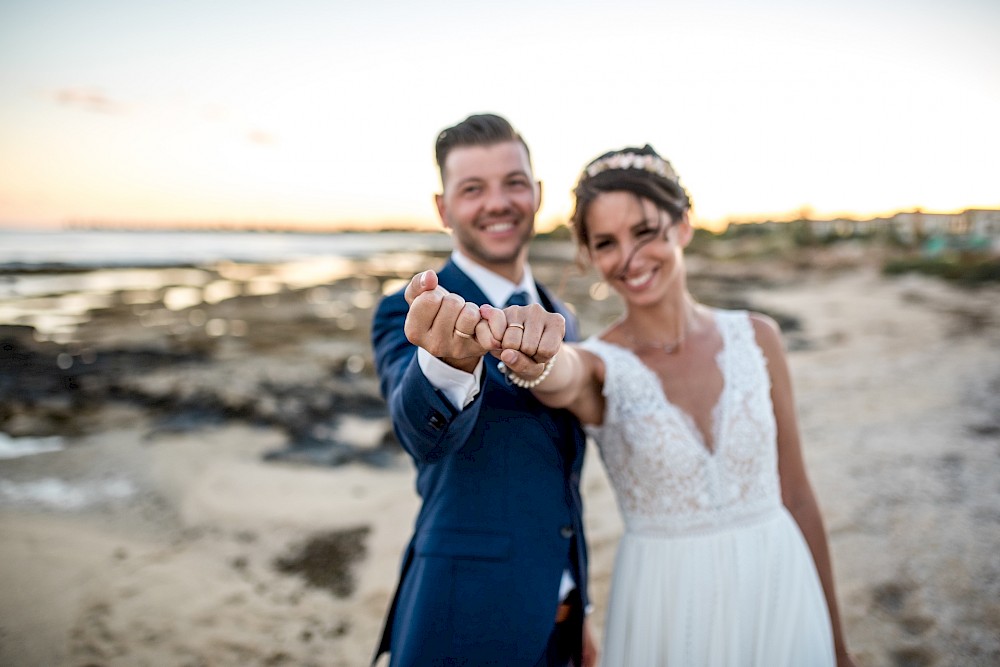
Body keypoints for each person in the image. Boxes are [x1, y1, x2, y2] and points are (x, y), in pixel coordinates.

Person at [477, 144, 857, 666]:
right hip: (668, 603)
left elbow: (798, 495)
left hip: (780, 584)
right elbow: (563, 376)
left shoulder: (759, 337)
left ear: (683, 224)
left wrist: (836, 643)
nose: (629, 259)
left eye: (645, 231)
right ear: (589, 256)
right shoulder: (600, 362)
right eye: (606, 242)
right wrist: (534, 360)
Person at [370, 113, 597, 667]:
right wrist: (447, 365)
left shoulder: (561, 314)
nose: (498, 202)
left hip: (559, 624)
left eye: (513, 183)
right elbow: (416, 431)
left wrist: (579, 605)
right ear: (444, 209)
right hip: (461, 622)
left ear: (537, 195)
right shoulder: (409, 312)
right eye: (473, 189)